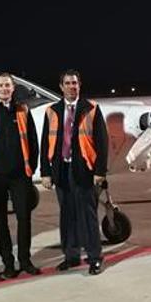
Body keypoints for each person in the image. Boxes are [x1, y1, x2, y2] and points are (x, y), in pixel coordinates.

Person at [40, 69, 109, 275]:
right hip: (61, 169)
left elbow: (102, 143)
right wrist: (46, 172)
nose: (72, 86)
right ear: (61, 87)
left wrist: (100, 171)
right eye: (68, 83)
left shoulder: (92, 109)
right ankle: (71, 256)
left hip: (84, 169)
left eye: (75, 83)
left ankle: (94, 257)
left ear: (80, 85)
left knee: (87, 214)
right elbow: (46, 143)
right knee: (67, 214)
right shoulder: (52, 111)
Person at [0, 73, 41, 278]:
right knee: (0, 221)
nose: (4, 88)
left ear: (13, 89)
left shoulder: (22, 111)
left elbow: (32, 141)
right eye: (1, 85)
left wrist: (31, 168)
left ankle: (25, 260)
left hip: (20, 175)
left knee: (24, 218)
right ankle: (8, 264)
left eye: (8, 85)